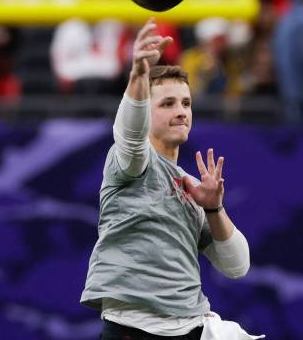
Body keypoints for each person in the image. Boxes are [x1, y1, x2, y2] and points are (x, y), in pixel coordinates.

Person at [80, 18, 252, 339]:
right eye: (168, 103)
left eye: (186, 103)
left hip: (190, 325)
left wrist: (214, 209)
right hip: (135, 326)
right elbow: (129, 137)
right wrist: (139, 76)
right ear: (145, 112)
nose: (182, 111)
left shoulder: (191, 186)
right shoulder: (131, 162)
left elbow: (237, 266)